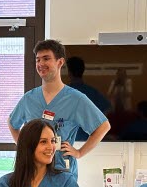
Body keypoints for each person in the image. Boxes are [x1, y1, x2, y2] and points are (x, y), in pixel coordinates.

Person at [9, 40, 110, 179]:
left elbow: (103, 126)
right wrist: (25, 148)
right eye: (38, 59)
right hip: (33, 172)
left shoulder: (75, 99)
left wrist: (79, 152)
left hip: (62, 172)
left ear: (60, 62)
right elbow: (12, 123)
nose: (41, 63)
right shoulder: (29, 99)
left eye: (46, 58)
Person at [66, 56, 111, 142]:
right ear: (83, 71)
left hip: (69, 139)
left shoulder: (63, 93)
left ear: (69, 72)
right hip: (89, 139)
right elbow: (108, 109)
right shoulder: (92, 92)